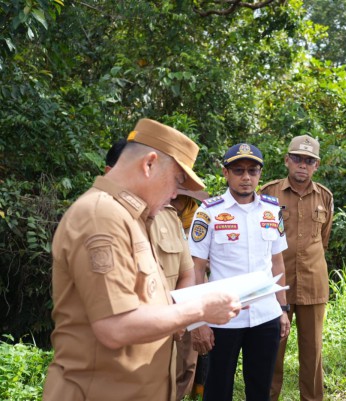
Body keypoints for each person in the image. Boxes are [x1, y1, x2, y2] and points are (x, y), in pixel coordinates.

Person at [43, 118, 241, 401]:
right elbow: (114, 327)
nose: (176, 194)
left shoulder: (134, 218)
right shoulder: (102, 216)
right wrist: (200, 309)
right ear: (149, 164)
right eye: (177, 181)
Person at [188, 143, 291, 401]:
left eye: (252, 171)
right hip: (224, 318)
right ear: (226, 173)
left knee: (260, 389)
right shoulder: (208, 212)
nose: (246, 177)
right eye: (238, 170)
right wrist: (198, 321)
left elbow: (277, 262)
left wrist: (282, 309)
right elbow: (196, 268)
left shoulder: (272, 209)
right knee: (217, 390)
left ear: (260, 174)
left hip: (265, 314)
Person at [104, 138, 199, 401]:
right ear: (109, 173)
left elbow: (187, 273)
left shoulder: (169, 216)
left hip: (165, 345)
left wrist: (177, 314)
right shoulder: (98, 220)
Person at [260, 135, 334, 401]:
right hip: (276, 284)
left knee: (312, 351)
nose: (303, 165)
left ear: (316, 165)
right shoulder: (268, 193)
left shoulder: (324, 196)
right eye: (297, 159)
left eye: (309, 160)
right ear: (287, 160)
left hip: (313, 283)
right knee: (272, 349)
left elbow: (323, 239)